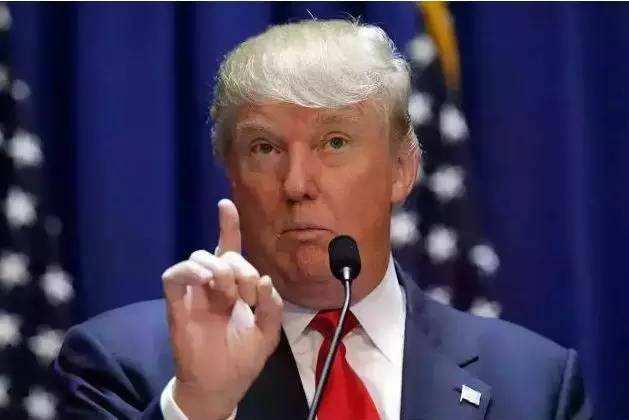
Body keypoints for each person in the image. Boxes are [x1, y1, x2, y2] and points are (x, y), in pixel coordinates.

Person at [53, 19, 591, 420]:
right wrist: (201, 407)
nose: (296, 184)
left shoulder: (534, 384)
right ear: (231, 175)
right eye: (265, 148)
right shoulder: (121, 364)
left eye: (334, 142)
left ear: (402, 170)